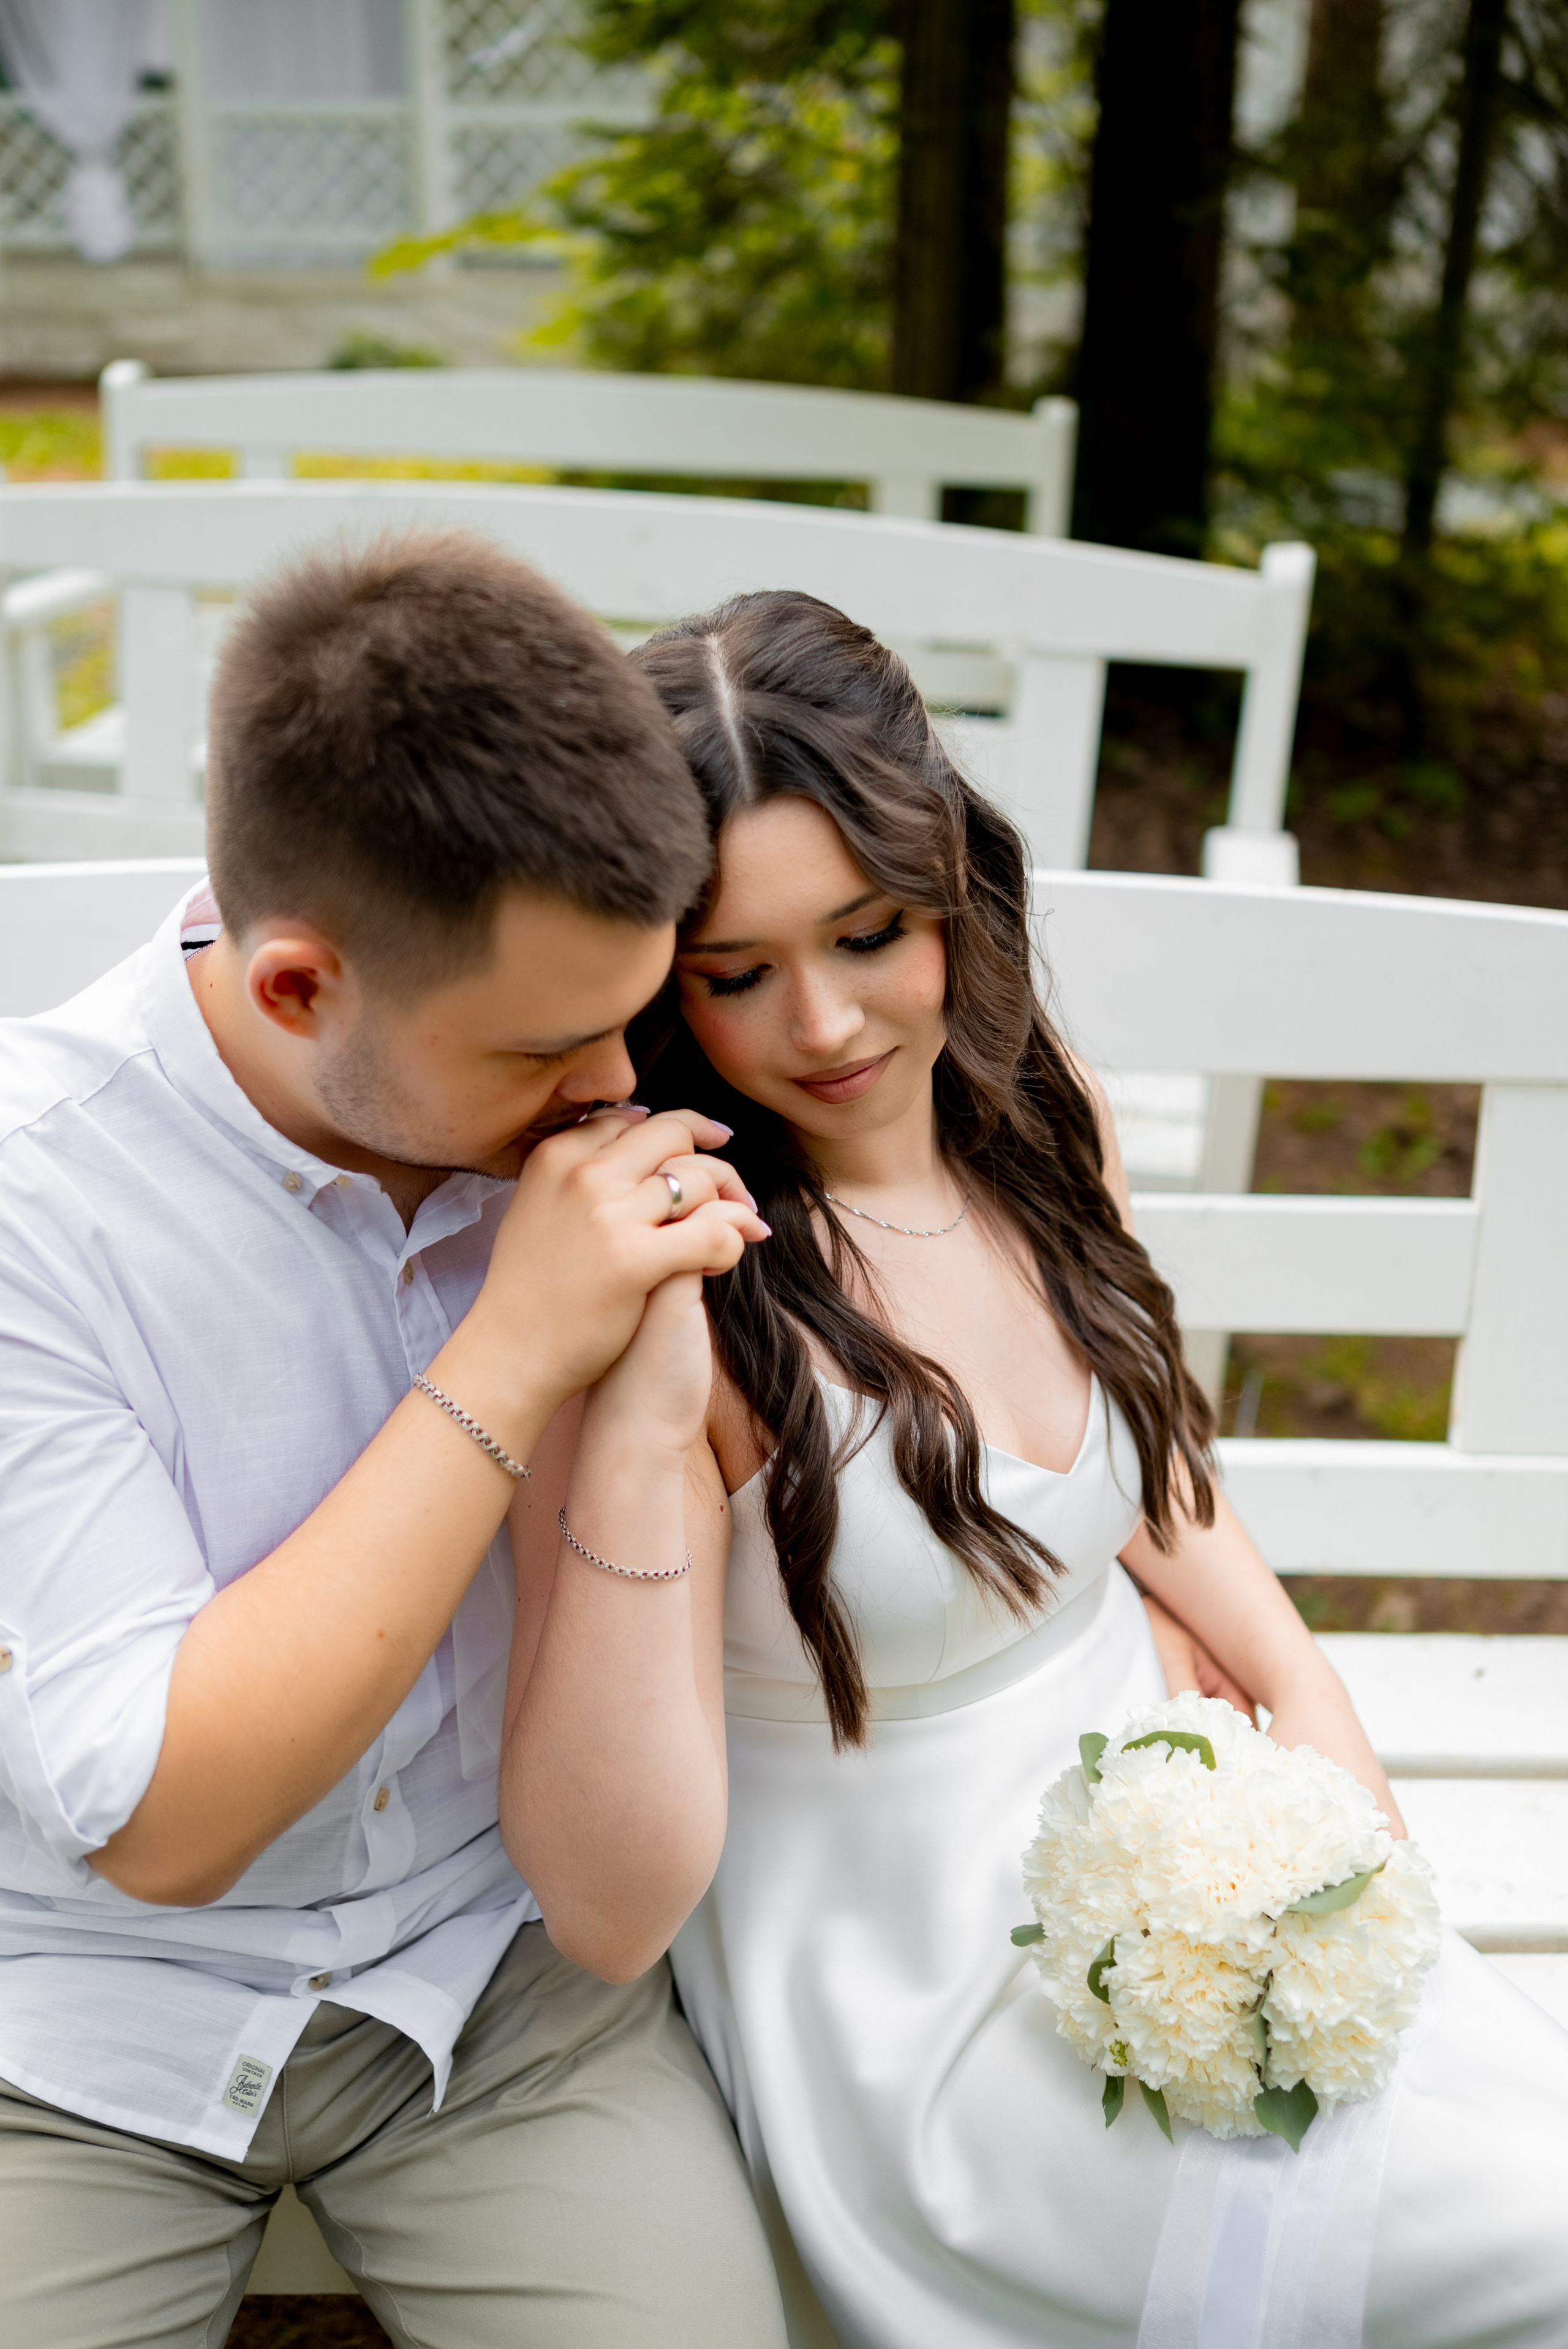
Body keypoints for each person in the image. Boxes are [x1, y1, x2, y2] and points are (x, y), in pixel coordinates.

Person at [499, 589, 1568, 2349]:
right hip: (904, 1988)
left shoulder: (1032, 1116)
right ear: (653, 980)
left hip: (1170, 1824)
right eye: (738, 973)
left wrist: (1304, 1701)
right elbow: (611, 1901)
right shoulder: (683, 1291)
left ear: (946, 882)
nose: (828, 1024)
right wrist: (628, 1403)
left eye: (868, 933)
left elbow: (1153, 1479)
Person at [0, 532, 788, 2349]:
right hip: (82, 2026)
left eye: (633, 1013)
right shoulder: (42, 1206)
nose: (615, 1089)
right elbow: (167, 1817)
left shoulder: (568, 1073)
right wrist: (513, 1352)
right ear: (297, 988)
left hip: (494, 2000)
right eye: (542, 1049)